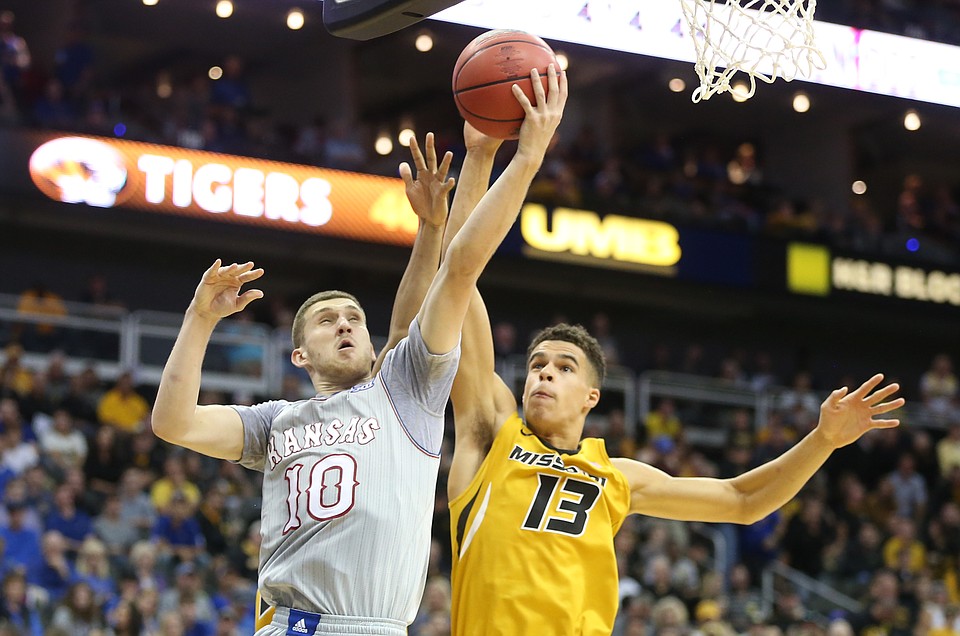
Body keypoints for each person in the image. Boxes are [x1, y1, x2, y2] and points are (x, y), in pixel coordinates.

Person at [379, 109, 904, 636]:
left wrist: (823, 439)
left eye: (563, 368)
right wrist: (482, 154)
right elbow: (459, 276)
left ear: (591, 396)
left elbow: (743, 501)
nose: (543, 375)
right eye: (537, 365)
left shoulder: (618, 475)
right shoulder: (492, 433)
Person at [150, 65, 566, 636]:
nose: (346, 325)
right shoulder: (275, 423)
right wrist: (199, 320)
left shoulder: (405, 391)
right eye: (327, 321)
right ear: (299, 355)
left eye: (354, 318)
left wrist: (508, 161)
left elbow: (458, 269)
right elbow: (173, 423)